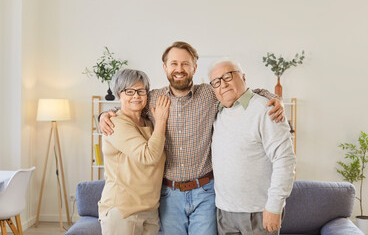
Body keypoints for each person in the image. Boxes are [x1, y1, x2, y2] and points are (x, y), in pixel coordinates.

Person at [99, 41, 285, 235]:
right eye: (173, 64)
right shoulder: (153, 99)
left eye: (185, 64)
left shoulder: (209, 94)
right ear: (165, 68)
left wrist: (275, 98)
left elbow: (242, 92)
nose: (179, 69)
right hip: (168, 195)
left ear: (194, 67)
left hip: (205, 191)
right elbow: (129, 106)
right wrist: (104, 115)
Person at [209, 58, 296, 235]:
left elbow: (285, 160)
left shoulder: (266, 110)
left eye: (227, 77)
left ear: (243, 77)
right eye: (216, 82)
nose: (223, 85)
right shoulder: (217, 113)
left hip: (259, 212)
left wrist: (274, 206)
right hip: (224, 213)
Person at [98, 69, 170, 235]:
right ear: (119, 94)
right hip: (122, 210)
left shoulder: (148, 122)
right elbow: (149, 156)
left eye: (140, 91)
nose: (136, 96)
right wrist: (161, 120)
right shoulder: (116, 123)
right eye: (129, 91)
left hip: (149, 209)